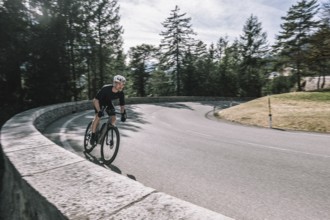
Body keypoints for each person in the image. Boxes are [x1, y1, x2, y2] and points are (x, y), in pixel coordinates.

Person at [90, 75, 127, 145]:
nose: (121, 86)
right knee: (98, 117)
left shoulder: (121, 93)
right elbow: (95, 100)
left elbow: (122, 105)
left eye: (123, 84)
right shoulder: (106, 88)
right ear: (115, 83)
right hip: (99, 102)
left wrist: (123, 114)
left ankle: (103, 133)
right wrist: (99, 111)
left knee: (113, 119)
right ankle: (93, 135)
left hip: (108, 103)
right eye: (119, 84)